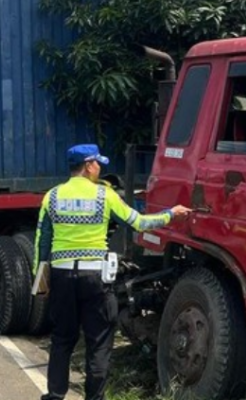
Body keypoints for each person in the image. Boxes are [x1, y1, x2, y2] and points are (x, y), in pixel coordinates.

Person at [35, 144, 192, 400]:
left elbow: (42, 243)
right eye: (98, 163)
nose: (100, 168)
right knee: (98, 343)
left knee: (62, 338)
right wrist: (170, 214)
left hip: (62, 278)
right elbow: (139, 222)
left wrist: (41, 285)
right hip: (95, 278)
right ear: (87, 165)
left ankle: (54, 395)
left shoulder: (52, 197)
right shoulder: (103, 196)